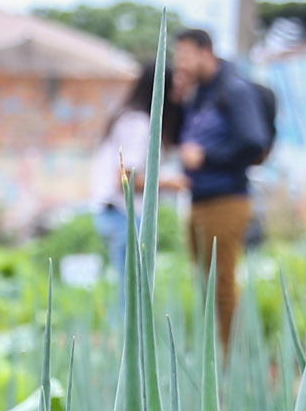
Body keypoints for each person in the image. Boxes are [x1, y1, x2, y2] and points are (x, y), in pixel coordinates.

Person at [169, 28, 272, 348]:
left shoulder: (233, 89)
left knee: (223, 286)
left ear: (206, 52)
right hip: (199, 199)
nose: (181, 64)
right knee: (207, 285)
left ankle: (235, 365)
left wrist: (207, 157)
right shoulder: (200, 93)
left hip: (226, 199)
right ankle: (217, 355)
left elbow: (254, 143)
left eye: (185, 55)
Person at [90, 61, 157, 302]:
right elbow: (127, 179)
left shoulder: (126, 116)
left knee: (127, 289)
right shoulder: (137, 122)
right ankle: (126, 340)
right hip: (123, 213)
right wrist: (176, 183)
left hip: (112, 212)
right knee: (132, 294)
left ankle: (123, 337)